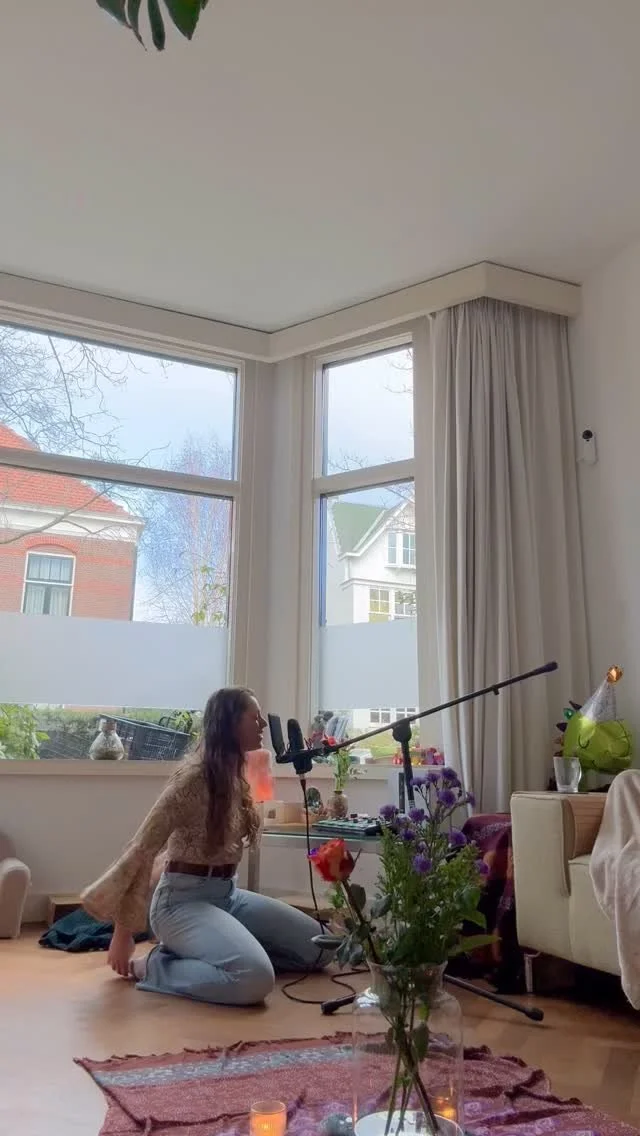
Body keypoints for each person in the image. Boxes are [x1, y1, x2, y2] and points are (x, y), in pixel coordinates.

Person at [82, 687, 331, 1006]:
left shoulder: (236, 774)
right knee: (254, 980)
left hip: (228, 895)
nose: (262, 725)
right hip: (180, 904)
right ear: (229, 723)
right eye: (254, 717)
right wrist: (123, 932)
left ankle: (220, 956)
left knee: (322, 948)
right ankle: (156, 966)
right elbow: (142, 848)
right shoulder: (192, 780)